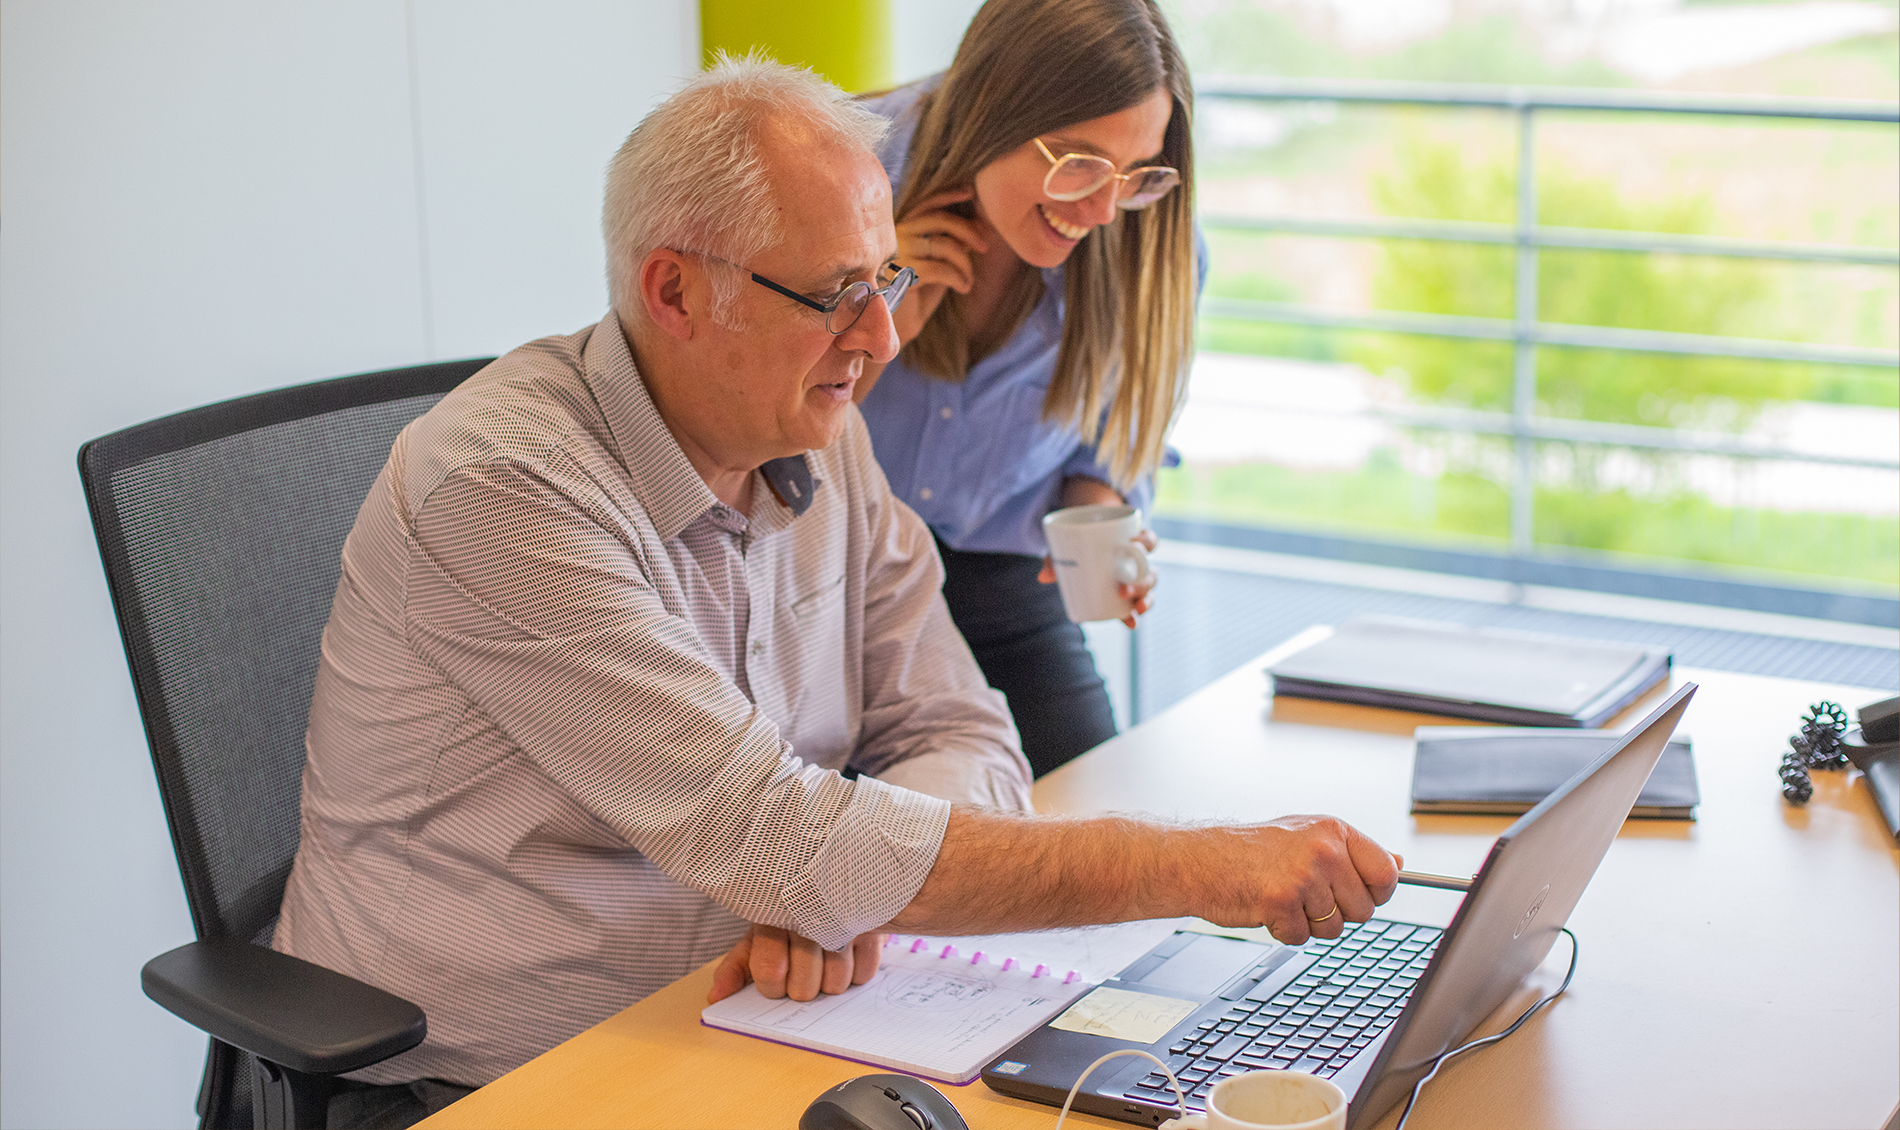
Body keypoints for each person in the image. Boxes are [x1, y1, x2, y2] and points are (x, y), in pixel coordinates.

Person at [274, 56, 1398, 1129]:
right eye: (835, 294)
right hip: (489, 1082)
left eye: (887, 279)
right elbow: (771, 830)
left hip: (754, 1022)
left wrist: (833, 887)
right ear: (672, 289)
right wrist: (1199, 862)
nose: (883, 336)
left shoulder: (822, 431)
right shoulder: (506, 486)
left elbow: (960, 726)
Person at [854, 0, 1201, 777]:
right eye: (1077, 162)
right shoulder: (851, 175)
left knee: (1100, 821)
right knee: (857, 863)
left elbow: (1109, 446)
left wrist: (1101, 516)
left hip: (1004, 585)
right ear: (990, 111)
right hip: (830, 583)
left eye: (1133, 171)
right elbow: (756, 439)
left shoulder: (1145, 239)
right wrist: (873, 306)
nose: (1102, 210)